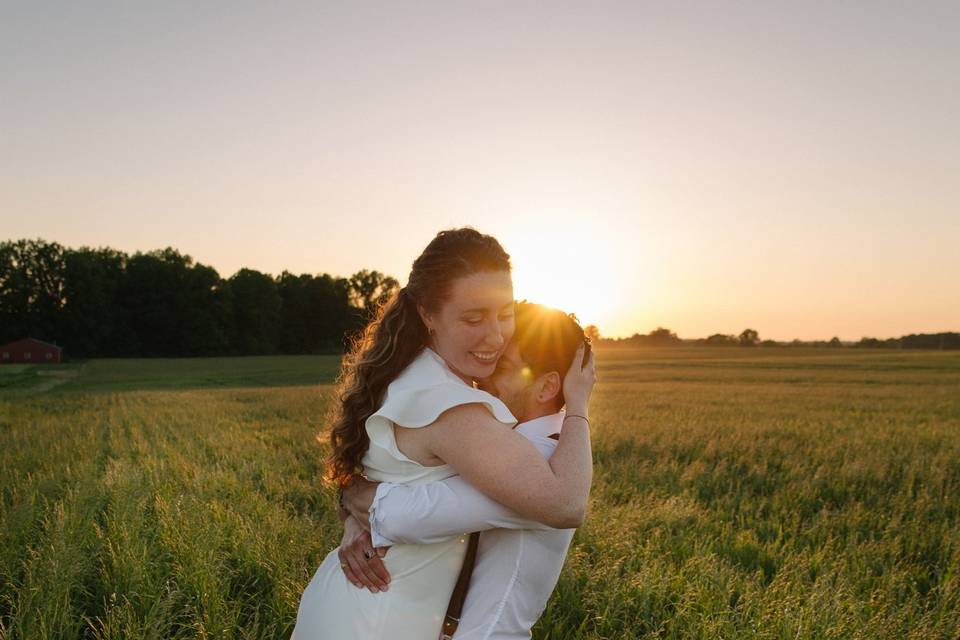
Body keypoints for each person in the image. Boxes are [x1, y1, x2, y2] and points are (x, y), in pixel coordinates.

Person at [291, 228, 595, 639]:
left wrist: (354, 503)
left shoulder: (415, 375)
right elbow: (565, 504)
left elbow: (393, 486)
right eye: (473, 318)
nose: (497, 337)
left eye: (504, 313)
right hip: (378, 620)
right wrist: (579, 407)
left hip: (358, 608)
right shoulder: (453, 408)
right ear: (427, 313)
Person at [339, 301, 590, 639]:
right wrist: (352, 520)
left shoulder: (542, 460)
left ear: (546, 388)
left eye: (503, 365)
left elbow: (405, 515)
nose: (483, 376)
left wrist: (352, 493)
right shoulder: (502, 444)